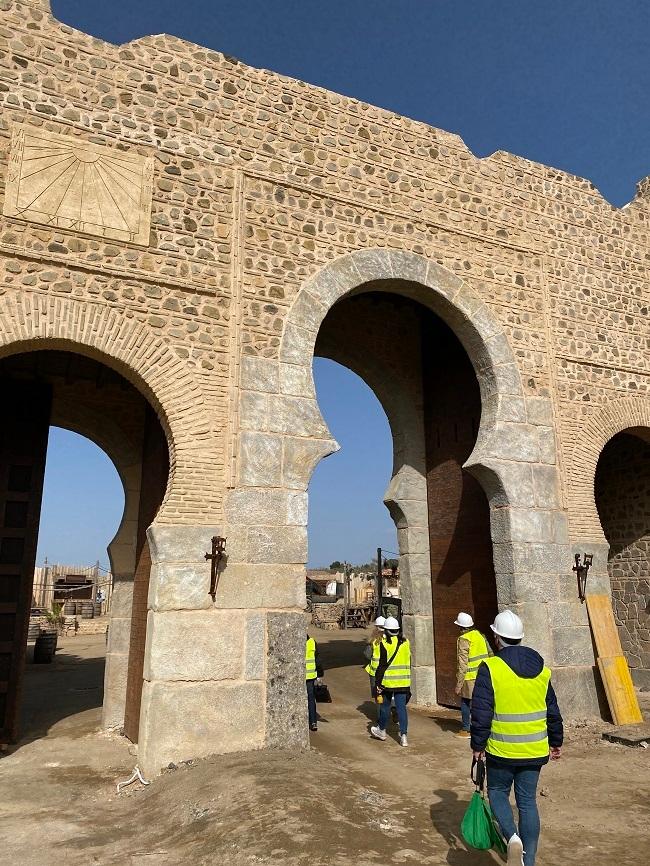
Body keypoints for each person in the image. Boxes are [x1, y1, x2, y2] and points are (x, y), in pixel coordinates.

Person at [470, 610, 563, 866]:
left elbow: (481, 710)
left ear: (496, 637)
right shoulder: (542, 670)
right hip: (534, 750)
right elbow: (552, 710)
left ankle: (512, 838)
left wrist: (478, 745)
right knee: (527, 802)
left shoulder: (491, 667)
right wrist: (556, 741)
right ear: (520, 638)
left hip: (501, 750)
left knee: (498, 792)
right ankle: (528, 860)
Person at [370, 616, 411, 747]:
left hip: (388, 682)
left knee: (385, 707)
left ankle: (381, 730)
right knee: (401, 709)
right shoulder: (406, 642)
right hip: (403, 682)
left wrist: (378, 684)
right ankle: (404, 736)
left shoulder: (385, 644)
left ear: (386, 630)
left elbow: (382, 666)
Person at [454, 611, 491, 738]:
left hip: (469, 677)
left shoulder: (464, 639)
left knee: (465, 702)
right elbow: (490, 653)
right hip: (483, 674)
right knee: (481, 702)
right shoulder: (480, 635)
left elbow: (462, 663)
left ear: (461, 627)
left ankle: (466, 729)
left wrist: (459, 684)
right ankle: (483, 726)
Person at [305, 632, 324, 732]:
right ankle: (313, 722)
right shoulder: (312, 642)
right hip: (310, 677)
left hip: (300, 676)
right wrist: (320, 675)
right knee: (311, 699)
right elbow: (318, 661)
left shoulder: (295, 642)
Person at [364, 615, 385, 697]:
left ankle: (379, 709)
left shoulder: (373, 640)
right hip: (387, 670)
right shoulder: (392, 639)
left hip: (375, 671)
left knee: (377, 694)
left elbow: (367, 655)